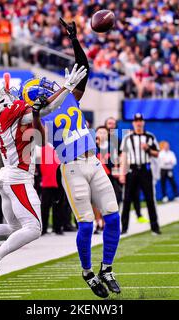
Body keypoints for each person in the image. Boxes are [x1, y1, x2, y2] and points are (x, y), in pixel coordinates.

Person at [0, 62, 87, 282]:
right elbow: (46, 108)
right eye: (2, 94)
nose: (6, 94)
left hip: (8, 176)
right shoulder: (9, 113)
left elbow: (30, 115)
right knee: (33, 229)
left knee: (13, 227)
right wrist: (67, 87)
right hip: (18, 177)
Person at [38, 19, 121, 298]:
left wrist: (74, 40)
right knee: (85, 223)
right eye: (45, 89)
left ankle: (106, 268)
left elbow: (83, 69)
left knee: (113, 216)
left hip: (94, 162)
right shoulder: (39, 117)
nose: (51, 88)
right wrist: (60, 90)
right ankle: (87, 272)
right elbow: (38, 111)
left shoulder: (71, 98)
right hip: (72, 168)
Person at [119, 113, 161, 235]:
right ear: (133, 123)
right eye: (136, 120)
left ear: (143, 122)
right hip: (132, 170)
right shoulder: (128, 138)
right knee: (127, 199)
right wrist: (122, 173)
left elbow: (157, 153)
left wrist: (148, 149)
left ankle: (155, 227)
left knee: (150, 198)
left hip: (145, 169)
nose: (138, 122)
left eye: (140, 120)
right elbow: (124, 156)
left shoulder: (150, 137)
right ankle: (124, 227)